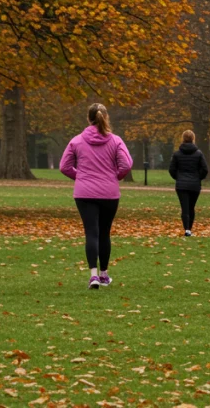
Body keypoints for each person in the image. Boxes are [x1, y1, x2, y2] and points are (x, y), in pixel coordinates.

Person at [59, 103, 133, 289]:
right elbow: (126, 165)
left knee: (91, 232)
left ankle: (92, 274)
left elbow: (64, 166)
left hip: (84, 193)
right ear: (105, 117)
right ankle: (104, 274)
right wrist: (114, 177)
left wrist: (81, 177)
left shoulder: (76, 141)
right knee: (104, 233)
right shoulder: (115, 141)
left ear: (88, 118)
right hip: (109, 192)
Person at [169, 129, 209, 237]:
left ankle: (186, 229)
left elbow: (172, 169)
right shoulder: (199, 154)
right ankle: (189, 228)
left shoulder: (177, 154)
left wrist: (178, 177)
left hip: (181, 185)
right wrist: (198, 177)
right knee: (191, 207)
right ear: (193, 139)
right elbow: (205, 169)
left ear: (183, 139)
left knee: (184, 208)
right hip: (194, 184)